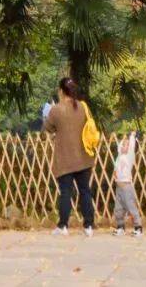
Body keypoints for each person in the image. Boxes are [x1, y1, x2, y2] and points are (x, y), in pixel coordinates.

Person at [44, 76, 95, 235]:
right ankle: (88, 226)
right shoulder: (83, 107)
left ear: (61, 91)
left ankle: (63, 225)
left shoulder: (56, 110)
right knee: (85, 190)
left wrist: (47, 112)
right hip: (83, 157)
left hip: (65, 159)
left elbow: (49, 128)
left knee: (66, 192)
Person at [113, 129, 143, 236]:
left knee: (131, 207)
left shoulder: (129, 157)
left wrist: (132, 137)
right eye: (122, 145)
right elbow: (116, 169)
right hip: (119, 187)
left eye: (125, 145)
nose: (123, 147)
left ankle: (138, 227)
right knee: (118, 208)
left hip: (126, 187)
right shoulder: (118, 157)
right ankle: (120, 227)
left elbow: (131, 148)